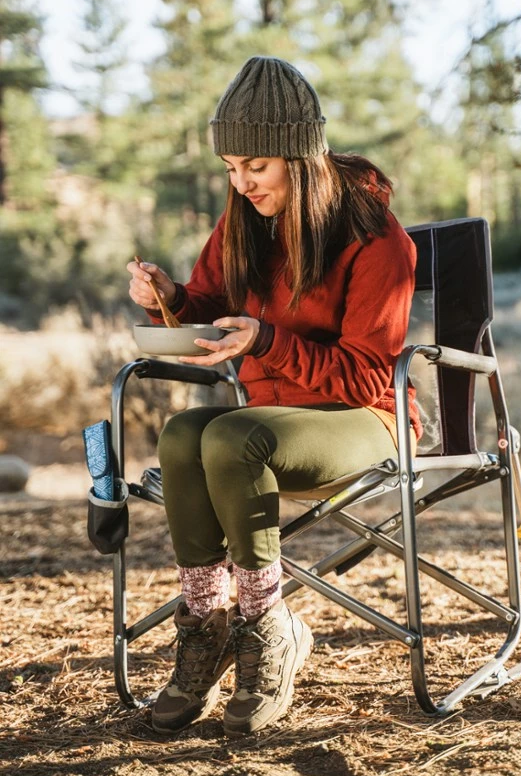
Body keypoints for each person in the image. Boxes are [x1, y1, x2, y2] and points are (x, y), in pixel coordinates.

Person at [127, 56, 421, 737]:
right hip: (271, 422)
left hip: (364, 421)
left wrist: (264, 341)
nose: (241, 182)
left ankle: (267, 628)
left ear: (299, 154)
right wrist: (167, 299)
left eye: (254, 165)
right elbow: (205, 310)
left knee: (231, 436)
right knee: (181, 435)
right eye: (230, 166)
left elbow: (361, 376)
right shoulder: (241, 230)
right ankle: (205, 627)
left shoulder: (378, 241)